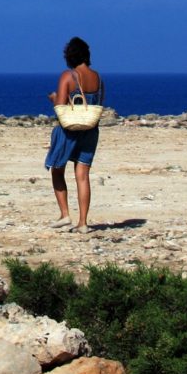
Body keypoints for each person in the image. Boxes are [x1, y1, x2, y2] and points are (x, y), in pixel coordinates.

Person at [45, 36, 103, 233]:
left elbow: (61, 106)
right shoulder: (97, 77)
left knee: (57, 169)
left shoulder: (68, 76)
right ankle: (83, 223)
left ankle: (65, 214)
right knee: (83, 175)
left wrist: (53, 98)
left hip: (69, 130)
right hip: (90, 129)